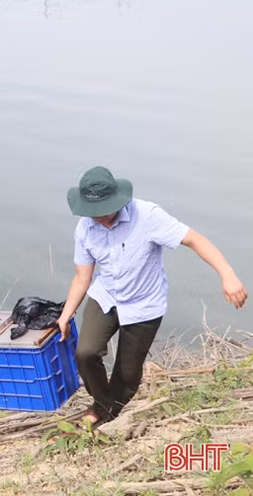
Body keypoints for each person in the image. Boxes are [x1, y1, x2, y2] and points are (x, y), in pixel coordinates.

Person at [56, 166, 248, 426]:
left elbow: (194, 239)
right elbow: (82, 277)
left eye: (103, 210)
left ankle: (104, 413)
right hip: (106, 296)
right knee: (85, 353)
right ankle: (103, 407)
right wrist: (66, 314)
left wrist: (227, 274)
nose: (97, 217)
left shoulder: (148, 216)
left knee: (127, 374)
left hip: (143, 303)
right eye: (92, 212)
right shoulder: (85, 228)